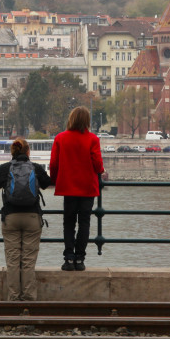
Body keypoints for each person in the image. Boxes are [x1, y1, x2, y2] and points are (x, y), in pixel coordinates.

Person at [0, 137, 51, 301]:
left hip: (11, 217)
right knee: (28, 260)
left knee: (12, 259)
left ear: (13, 151)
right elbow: (47, 183)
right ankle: (29, 297)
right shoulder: (35, 167)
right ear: (28, 151)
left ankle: (14, 297)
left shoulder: (6, 168)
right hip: (32, 216)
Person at [49, 106, 104, 271]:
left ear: (71, 119)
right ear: (87, 121)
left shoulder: (60, 138)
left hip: (68, 187)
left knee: (69, 223)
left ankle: (68, 258)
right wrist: (99, 171)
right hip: (87, 187)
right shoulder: (93, 139)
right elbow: (98, 165)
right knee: (84, 223)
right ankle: (80, 259)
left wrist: (54, 180)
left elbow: (53, 164)